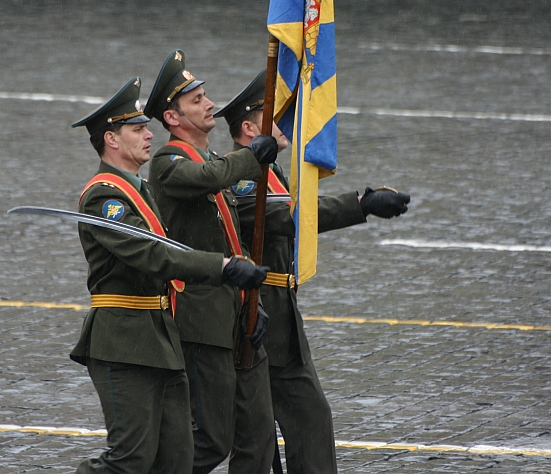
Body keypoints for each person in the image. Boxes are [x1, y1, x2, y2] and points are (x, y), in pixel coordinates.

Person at [70, 77, 269, 474]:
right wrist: (223, 267)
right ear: (111, 139)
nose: (148, 135)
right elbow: (153, 256)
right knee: (129, 459)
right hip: (123, 341)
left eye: (146, 126)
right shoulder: (104, 196)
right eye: (137, 129)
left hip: (161, 337)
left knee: (176, 459)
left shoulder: (139, 189)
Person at [217, 70, 411, 474]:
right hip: (253, 318)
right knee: (256, 446)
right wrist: (362, 203)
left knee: (312, 421)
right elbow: (289, 218)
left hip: (283, 323)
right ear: (250, 128)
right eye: (274, 114)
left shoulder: (270, 172)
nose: (285, 123)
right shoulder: (241, 179)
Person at [145, 50, 280, 474]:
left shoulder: (213, 161)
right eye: (196, 99)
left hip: (236, 311)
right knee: (208, 439)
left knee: (258, 437)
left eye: (204, 94)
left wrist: (248, 304)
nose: (208, 104)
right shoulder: (169, 163)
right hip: (201, 320)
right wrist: (254, 154)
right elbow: (209, 179)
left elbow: (233, 232)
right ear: (172, 117)